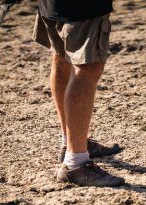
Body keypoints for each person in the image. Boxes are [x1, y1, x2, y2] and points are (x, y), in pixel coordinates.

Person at [32, 0, 125, 187]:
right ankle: (76, 163)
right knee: (88, 67)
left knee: (62, 55)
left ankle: (72, 143)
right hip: (83, 7)